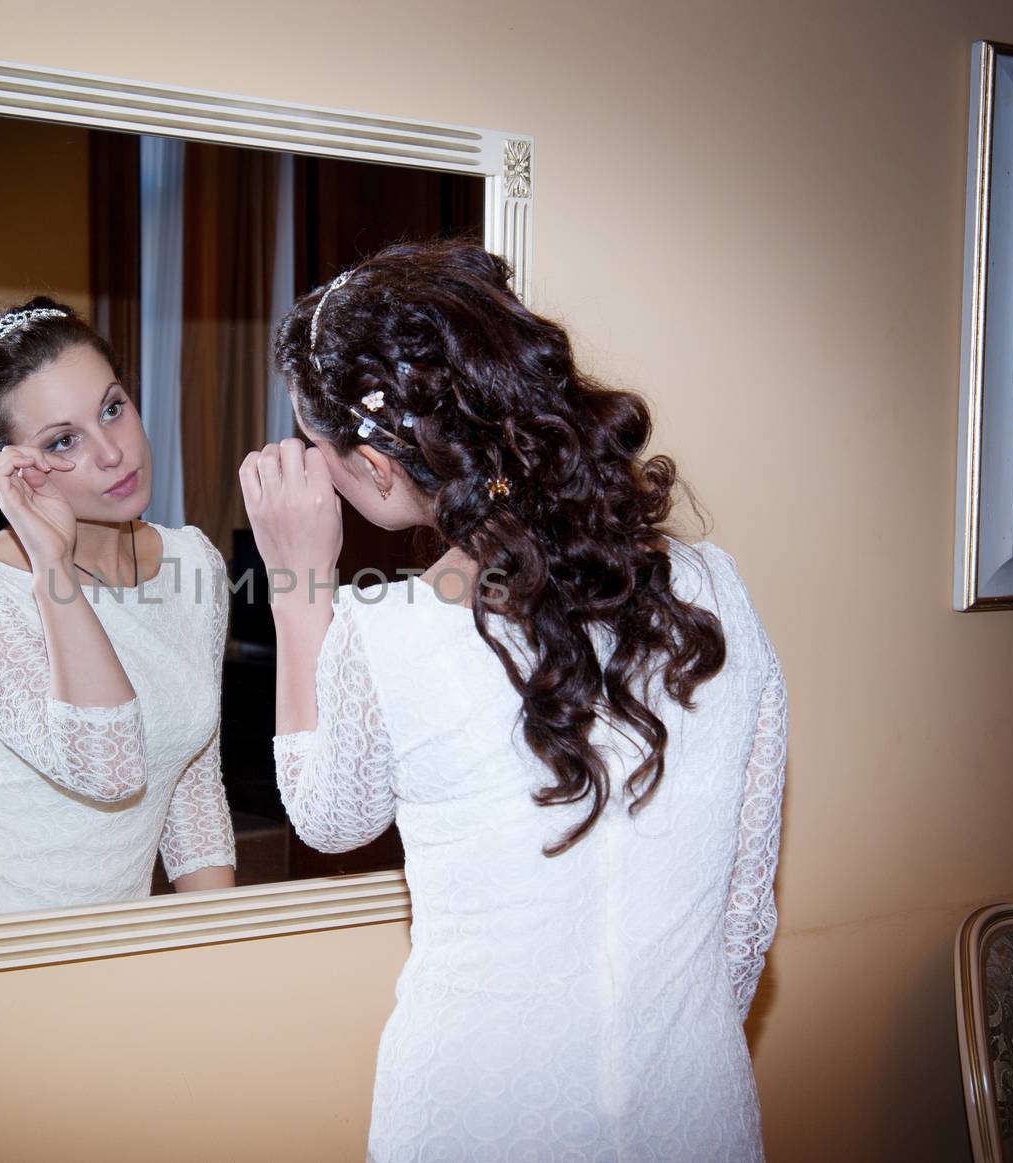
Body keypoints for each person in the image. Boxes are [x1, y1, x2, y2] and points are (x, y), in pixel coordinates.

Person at [242, 241, 786, 1161]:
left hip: (477, 1112)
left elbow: (331, 817)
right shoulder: (718, 589)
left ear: (379, 467)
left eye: (319, 447)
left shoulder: (394, 633)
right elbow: (746, 914)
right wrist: (658, 1050)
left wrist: (299, 590)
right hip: (694, 1103)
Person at [0, 299, 236, 924]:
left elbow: (191, 782)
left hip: (109, 943)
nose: (112, 453)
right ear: (11, 470)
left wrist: (222, 941)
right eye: (63, 442)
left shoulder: (195, 563)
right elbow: (108, 768)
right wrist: (52, 564)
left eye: (113, 408)